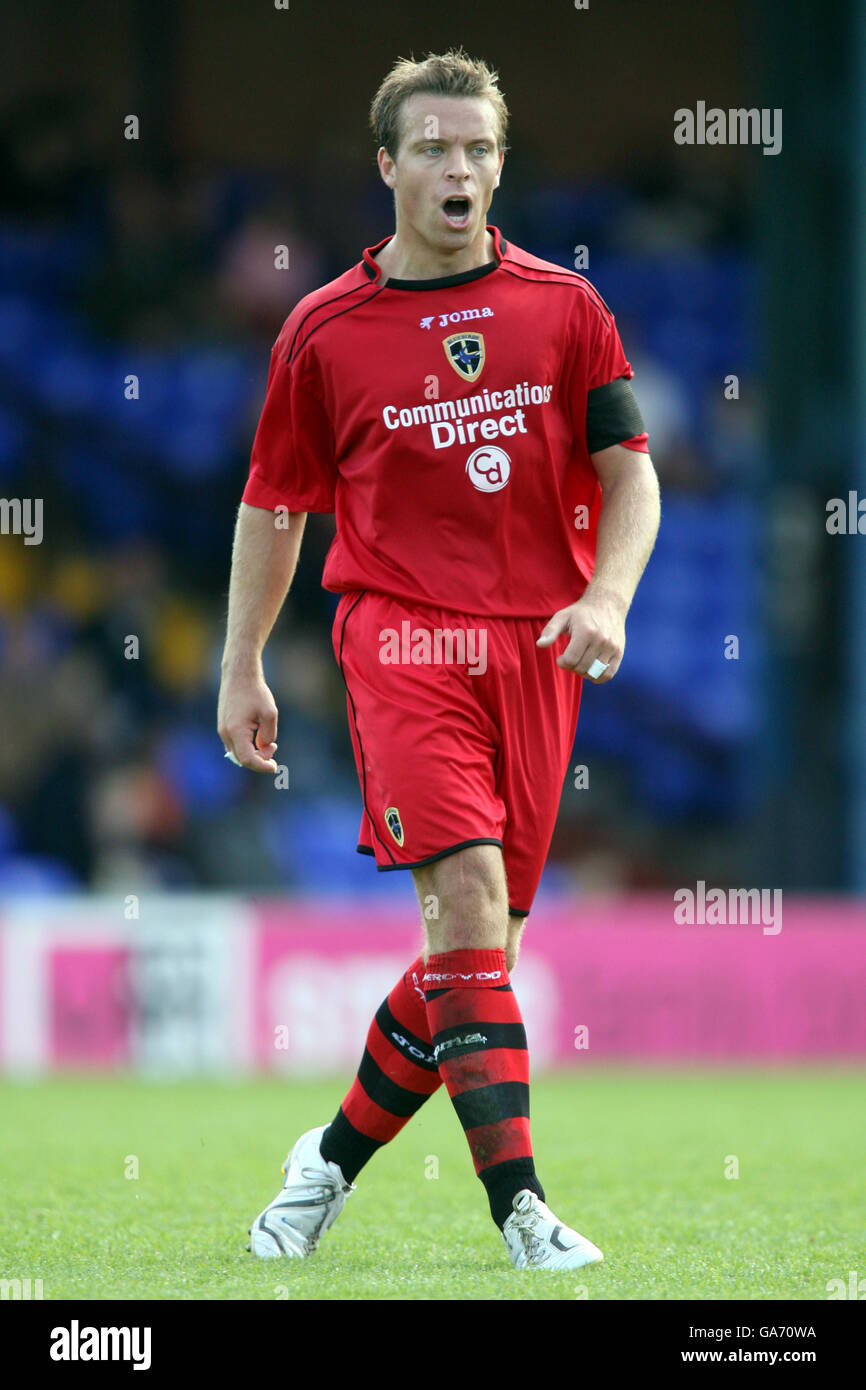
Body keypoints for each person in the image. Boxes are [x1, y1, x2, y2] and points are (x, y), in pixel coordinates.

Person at [217, 47, 660, 1271]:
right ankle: (519, 1207)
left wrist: (609, 596)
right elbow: (274, 504)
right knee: (462, 901)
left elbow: (630, 474)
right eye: (432, 147)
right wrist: (239, 663)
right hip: (401, 644)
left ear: (497, 165)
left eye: (475, 148)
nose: (456, 167)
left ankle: (325, 1166)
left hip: (539, 654)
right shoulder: (322, 329)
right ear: (387, 166)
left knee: (473, 959)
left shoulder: (565, 310)